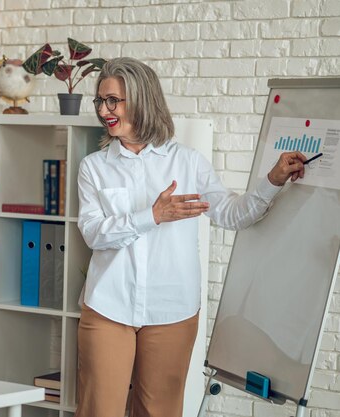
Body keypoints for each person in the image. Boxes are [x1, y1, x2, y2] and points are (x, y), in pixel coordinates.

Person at [75, 57, 306, 417]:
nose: (104, 110)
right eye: (100, 101)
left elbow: (232, 214)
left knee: (160, 412)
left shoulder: (187, 162)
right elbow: (93, 233)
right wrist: (152, 215)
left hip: (171, 309)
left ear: (142, 99)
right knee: (98, 411)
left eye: (113, 101)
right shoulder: (94, 167)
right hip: (108, 306)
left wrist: (272, 181)